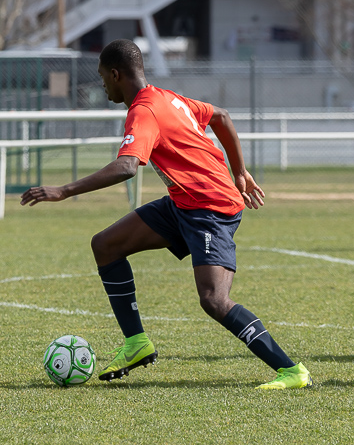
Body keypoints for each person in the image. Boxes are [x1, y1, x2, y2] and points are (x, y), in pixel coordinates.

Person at [20, 39, 311, 390]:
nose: (103, 85)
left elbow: (127, 166)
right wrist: (239, 171)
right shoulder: (168, 98)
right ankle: (136, 343)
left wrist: (64, 190)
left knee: (214, 300)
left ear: (116, 74)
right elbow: (221, 116)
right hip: (183, 202)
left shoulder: (144, 111)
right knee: (106, 245)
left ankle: (291, 370)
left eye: (102, 77)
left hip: (210, 208)